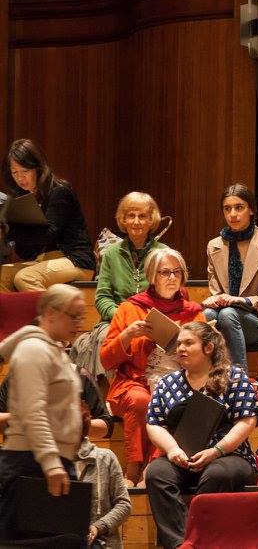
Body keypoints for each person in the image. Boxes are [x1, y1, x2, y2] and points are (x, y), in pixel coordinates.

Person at [144, 322, 258, 549]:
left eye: (189, 343)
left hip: (229, 456)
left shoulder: (233, 377)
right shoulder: (168, 383)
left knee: (216, 474)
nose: (181, 349)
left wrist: (216, 451)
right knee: (157, 473)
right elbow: (154, 424)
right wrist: (172, 450)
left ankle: (202, 541)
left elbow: (247, 421)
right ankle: (180, 544)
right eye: (179, 344)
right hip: (182, 458)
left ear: (208, 348)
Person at [100, 247, 205, 485]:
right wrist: (127, 335)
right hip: (135, 381)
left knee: (174, 402)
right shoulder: (130, 308)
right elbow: (106, 359)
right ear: (152, 276)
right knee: (140, 401)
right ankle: (133, 468)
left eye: (176, 273)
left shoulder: (194, 312)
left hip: (179, 382)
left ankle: (154, 467)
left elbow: (206, 358)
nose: (171, 278)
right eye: (164, 272)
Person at [0, 284, 84, 541]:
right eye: (73, 315)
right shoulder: (33, 351)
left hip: (52, 462)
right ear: (50, 313)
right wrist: (50, 462)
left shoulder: (54, 350)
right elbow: (32, 412)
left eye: (81, 316)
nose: (79, 323)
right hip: (31, 465)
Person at [73, 191, 168, 379]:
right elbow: (102, 297)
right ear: (123, 220)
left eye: (142, 216)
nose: (136, 221)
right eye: (131, 215)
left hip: (153, 323)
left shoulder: (165, 254)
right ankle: (113, 394)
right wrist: (123, 316)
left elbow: (171, 295)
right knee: (107, 338)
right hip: (115, 321)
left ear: (152, 220)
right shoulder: (111, 254)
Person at [203, 183, 258, 370]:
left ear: (251, 210)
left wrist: (236, 300)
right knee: (207, 315)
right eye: (227, 209)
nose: (232, 214)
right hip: (227, 317)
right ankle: (210, 382)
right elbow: (216, 293)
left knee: (228, 314)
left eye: (239, 208)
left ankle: (240, 384)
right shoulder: (213, 246)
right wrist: (214, 300)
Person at [0, 138, 95, 291]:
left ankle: (53, 315)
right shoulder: (23, 198)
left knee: (25, 277)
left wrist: (12, 231)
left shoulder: (59, 190)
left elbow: (48, 234)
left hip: (74, 259)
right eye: (14, 172)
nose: (19, 178)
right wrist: (7, 230)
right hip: (44, 260)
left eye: (25, 171)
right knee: (2, 275)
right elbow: (26, 253)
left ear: (37, 168)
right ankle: (21, 315)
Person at [75, 435, 132, 549]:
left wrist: (98, 527)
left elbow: (124, 505)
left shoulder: (105, 457)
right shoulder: (50, 464)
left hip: (101, 542)